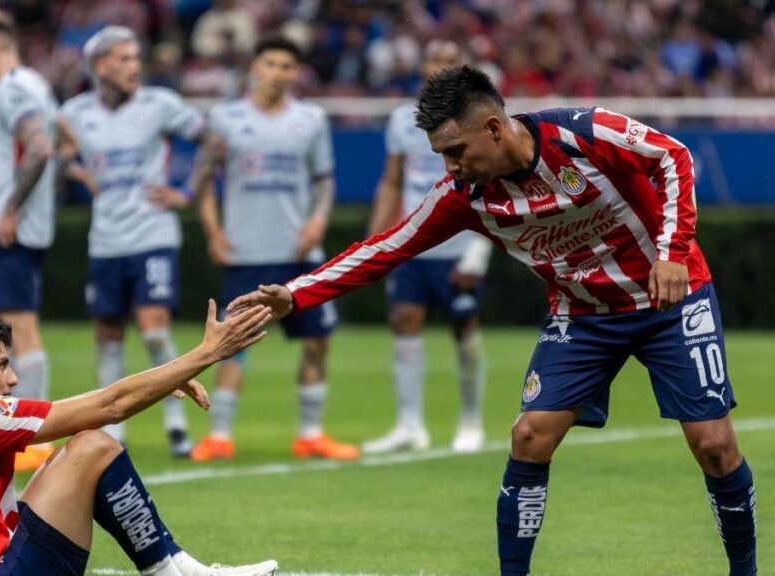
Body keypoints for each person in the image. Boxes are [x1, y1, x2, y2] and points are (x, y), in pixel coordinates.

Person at [229, 66, 756, 576]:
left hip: (671, 302)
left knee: (713, 444)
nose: (450, 167)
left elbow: (673, 157)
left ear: (495, 128)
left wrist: (671, 250)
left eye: (456, 152)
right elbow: (384, 248)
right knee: (529, 436)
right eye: (441, 156)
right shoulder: (463, 197)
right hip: (583, 316)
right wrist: (294, 296)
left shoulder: (585, 132)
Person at [0, 305, 278, 576]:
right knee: (93, 447)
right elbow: (110, 406)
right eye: (2, 365)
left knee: (68, 457)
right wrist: (207, 353)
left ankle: (176, 565)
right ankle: (172, 567)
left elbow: (88, 403)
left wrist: (162, 382)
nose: (13, 379)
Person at [188, 37, 357, 462]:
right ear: (255, 67)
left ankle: (311, 434)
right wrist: (213, 230)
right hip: (246, 250)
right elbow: (204, 180)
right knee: (231, 344)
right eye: (270, 63)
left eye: (286, 65)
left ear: (295, 72)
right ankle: (220, 436)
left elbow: (323, 180)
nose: (278, 71)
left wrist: (319, 219)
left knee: (317, 342)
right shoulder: (226, 119)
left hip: (300, 253)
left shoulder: (312, 119)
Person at [56, 26, 205, 457]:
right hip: (106, 239)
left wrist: (187, 191)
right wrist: (76, 171)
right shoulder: (74, 112)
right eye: (124, 58)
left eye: (136, 57)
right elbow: (57, 152)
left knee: (154, 331)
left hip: (152, 234)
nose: (134, 66)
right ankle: (113, 430)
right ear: (100, 66)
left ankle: (177, 426)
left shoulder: (160, 104)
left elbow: (211, 139)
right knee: (107, 334)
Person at [363, 41, 493, 455]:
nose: (439, 67)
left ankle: (471, 422)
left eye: (449, 61)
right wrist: (372, 240)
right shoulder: (402, 120)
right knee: (403, 320)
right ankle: (409, 425)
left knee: (463, 328)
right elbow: (392, 182)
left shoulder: (476, 120)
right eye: (434, 59)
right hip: (412, 244)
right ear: (423, 66)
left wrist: (479, 252)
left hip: (458, 245)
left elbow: (491, 187)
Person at [0, 13, 58, 471]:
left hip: (12, 228)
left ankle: (38, 436)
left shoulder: (12, 88)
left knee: (19, 325)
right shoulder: (36, 84)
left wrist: (11, 209)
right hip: (10, 227)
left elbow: (39, 147)